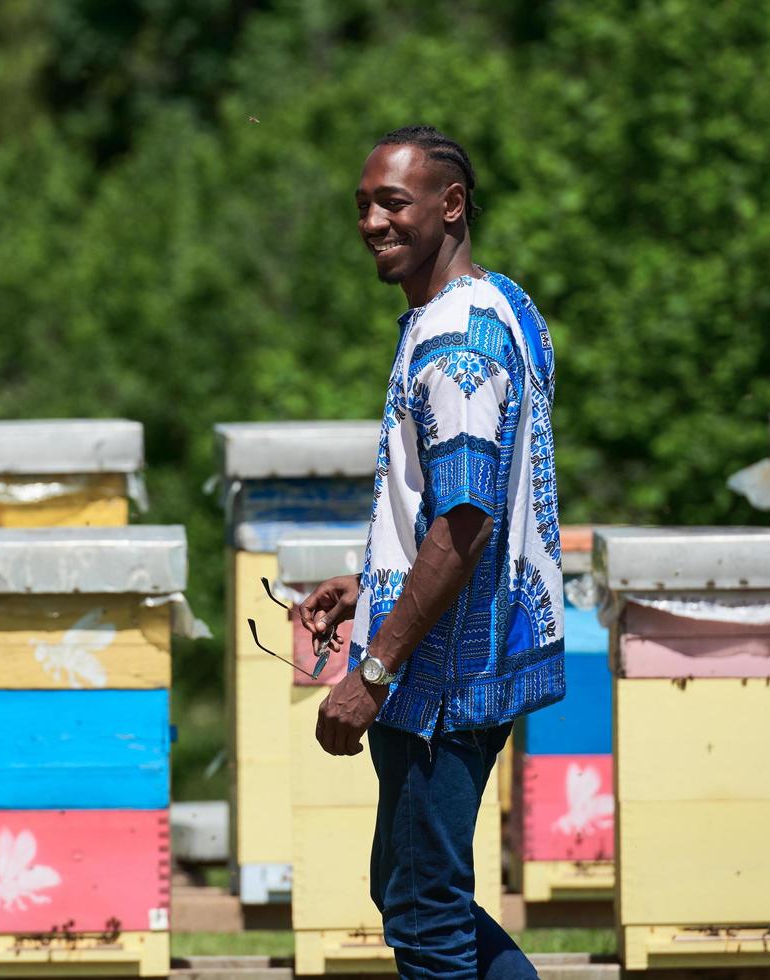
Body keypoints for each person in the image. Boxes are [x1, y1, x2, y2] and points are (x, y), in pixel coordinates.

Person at [297, 125, 564, 979]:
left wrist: (373, 669)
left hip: (440, 678)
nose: (372, 222)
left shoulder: (455, 347)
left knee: (424, 916)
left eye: (393, 203)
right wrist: (368, 583)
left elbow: (467, 522)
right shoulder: (503, 303)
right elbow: (462, 507)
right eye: (363, 205)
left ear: (451, 205)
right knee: (415, 891)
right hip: (474, 647)